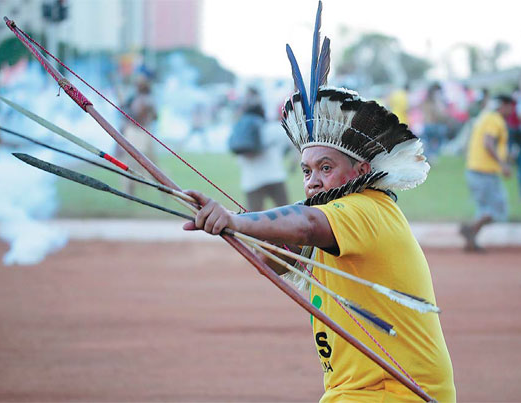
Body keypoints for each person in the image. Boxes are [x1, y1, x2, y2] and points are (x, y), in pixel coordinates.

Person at [182, 4, 455, 400]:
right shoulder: (331, 222)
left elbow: (308, 223)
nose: (313, 181)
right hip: (357, 392)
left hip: (396, 392)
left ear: (361, 170)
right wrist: (237, 232)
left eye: (326, 167)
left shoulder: (368, 208)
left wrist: (237, 221)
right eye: (306, 171)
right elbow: (275, 263)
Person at [460, 95, 514, 251]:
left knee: (487, 209)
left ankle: (471, 238)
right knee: (497, 210)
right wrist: (503, 164)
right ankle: (470, 230)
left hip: (477, 170)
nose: (512, 111)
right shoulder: (495, 119)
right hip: (484, 172)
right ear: (504, 105)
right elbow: (488, 143)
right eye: (511, 106)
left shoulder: (486, 116)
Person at [233, 89, 290, 211]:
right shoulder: (272, 129)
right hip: (275, 176)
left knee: (253, 220)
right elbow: (290, 140)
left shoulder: (241, 131)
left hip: (251, 180)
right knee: (286, 213)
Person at [118, 74, 158, 194]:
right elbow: (126, 112)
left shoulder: (147, 99)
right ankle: (129, 190)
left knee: (151, 163)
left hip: (144, 132)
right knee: (130, 162)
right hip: (133, 132)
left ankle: (162, 189)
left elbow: (155, 116)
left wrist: (146, 111)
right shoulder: (133, 98)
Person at [420, 82, 448, 162]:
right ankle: (431, 156)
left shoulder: (426, 101)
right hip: (434, 125)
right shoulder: (437, 101)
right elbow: (440, 115)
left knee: (428, 143)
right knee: (436, 142)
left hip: (427, 125)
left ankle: (429, 156)